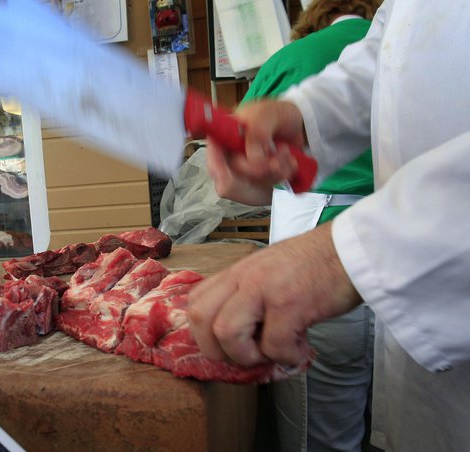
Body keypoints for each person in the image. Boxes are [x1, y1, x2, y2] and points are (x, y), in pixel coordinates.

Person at [188, 1, 470, 450]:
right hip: (396, 283)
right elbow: (395, 57)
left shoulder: (287, 58)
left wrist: (342, 255)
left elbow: (236, 187)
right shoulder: (390, 18)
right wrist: (305, 116)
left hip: (365, 268)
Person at [207, 1, 381, 450]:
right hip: (417, 281)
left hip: (316, 290)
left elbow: (232, 181)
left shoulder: (291, 59)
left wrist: (280, 191)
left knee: (320, 440)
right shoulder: (398, 41)